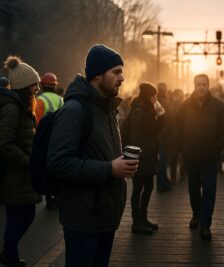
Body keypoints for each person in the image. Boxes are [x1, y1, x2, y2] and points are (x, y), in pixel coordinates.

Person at [46, 44, 139, 267]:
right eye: (116, 72)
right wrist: (110, 169)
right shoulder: (75, 110)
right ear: (98, 74)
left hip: (104, 216)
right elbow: (58, 164)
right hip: (84, 220)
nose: (122, 78)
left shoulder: (106, 109)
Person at [177, 74, 224, 240]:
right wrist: (183, 148)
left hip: (210, 156)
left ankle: (206, 224)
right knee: (193, 188)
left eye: (204, 84)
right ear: (194, 85)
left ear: (208, 85)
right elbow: (177, 129)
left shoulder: (219, 106)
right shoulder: (184, 106)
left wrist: (217, 148)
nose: (201, 87)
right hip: (191, 156)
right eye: (198, 84)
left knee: (209, 189)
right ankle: (196, 214)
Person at [0, 56, 41, 267]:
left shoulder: (23, 107)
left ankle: (8, 252)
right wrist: (27, 161)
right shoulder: (12, 108)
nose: (37, 88)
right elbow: (4, 144)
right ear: (25, 86)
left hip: (24, 175)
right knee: (18, 218)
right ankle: (10, 257)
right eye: (35, 85)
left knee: (27, 216)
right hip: (14, 176)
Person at [121, 82, 164, 235]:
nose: (155, 98)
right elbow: (141, 135)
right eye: (154, 96)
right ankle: (136, 222)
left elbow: (151, 131)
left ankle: (143, 218)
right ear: (147, 96)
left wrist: (159, 115)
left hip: (147, 155)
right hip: (140, 156)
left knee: (148, 187)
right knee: (138, 188)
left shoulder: (146, 109)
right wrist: (160, 116)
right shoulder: (139, 111)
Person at [35, 72, 64, 210]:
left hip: (45, 139)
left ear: (42, 85)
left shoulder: (39, 100)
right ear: (54, 86)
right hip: (60, 137)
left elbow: (37, 122)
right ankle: (58, 195)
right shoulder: (61, 100)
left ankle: (49, 199)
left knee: (46, 167)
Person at [156, 82, 173, 192]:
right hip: (164, 134)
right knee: (163, 159)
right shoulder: (163, 102)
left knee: (163, 159)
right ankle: (161, 182)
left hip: (160, 134)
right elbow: (166, 119)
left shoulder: (156, 101)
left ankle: (163, 180)